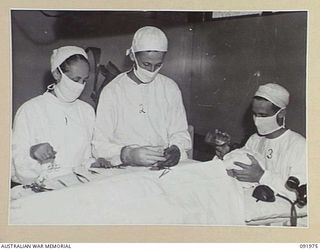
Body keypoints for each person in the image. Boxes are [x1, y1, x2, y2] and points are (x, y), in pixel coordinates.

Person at [93, 26, 192, 167]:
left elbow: (180, 132)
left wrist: (176, 148)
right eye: (146, 64)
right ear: (133, 56)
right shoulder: (113, 91)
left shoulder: (170, 88)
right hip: (125, 170)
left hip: (162, 167)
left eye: (158, 65)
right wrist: (127, 154)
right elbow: (98, 145)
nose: (151, 70)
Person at [12, 46, 108, 186]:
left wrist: (94, 163)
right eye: (75, 79)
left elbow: (84, 157)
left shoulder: (86, 111)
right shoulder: (30, 110)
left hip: (80, 187)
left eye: (84, 80)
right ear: (57, 74)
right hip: (43, 190)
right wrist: (33, 154)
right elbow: (17, 168)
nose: (80, 86)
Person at [225, 83, 306, 199]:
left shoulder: (299, 146)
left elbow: (301, 195)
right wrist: (226, 155)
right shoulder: (255, 139)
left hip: (284, 211)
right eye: (255, 114)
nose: (257, 120)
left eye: (263, 115)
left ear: (281, 113)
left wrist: (261, 176)